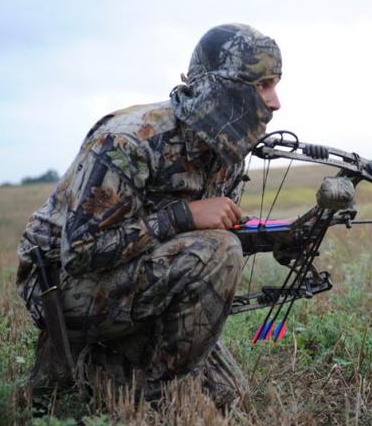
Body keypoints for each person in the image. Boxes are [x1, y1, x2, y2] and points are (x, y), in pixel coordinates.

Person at [15, 23, 282, 411]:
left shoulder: (226, 150)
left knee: (229, 395)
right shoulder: (128, 140)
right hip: (62, 288)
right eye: (264, 85)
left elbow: (196, 243)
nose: (275, 102)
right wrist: (184, 216)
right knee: (220, 251)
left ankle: (103, 363)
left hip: (138, 277)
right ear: (224, 88)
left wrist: (279, 238)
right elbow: (82, 251)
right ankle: (159, 398)